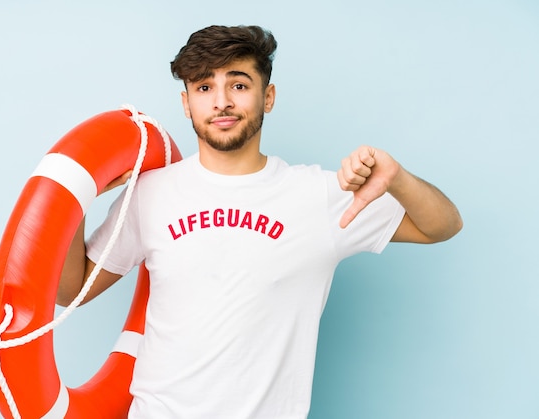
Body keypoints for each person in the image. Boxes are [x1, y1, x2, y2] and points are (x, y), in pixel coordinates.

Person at [57, 25, 462, 419]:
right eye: (203, 87)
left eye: (238, 85)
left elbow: (442, 225)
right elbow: (70, 290)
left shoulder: (319, 197)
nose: (221, 103)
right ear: (186, 104)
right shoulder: (151, 193)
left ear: (267, 97)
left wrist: (399, 178)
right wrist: (78, 194)